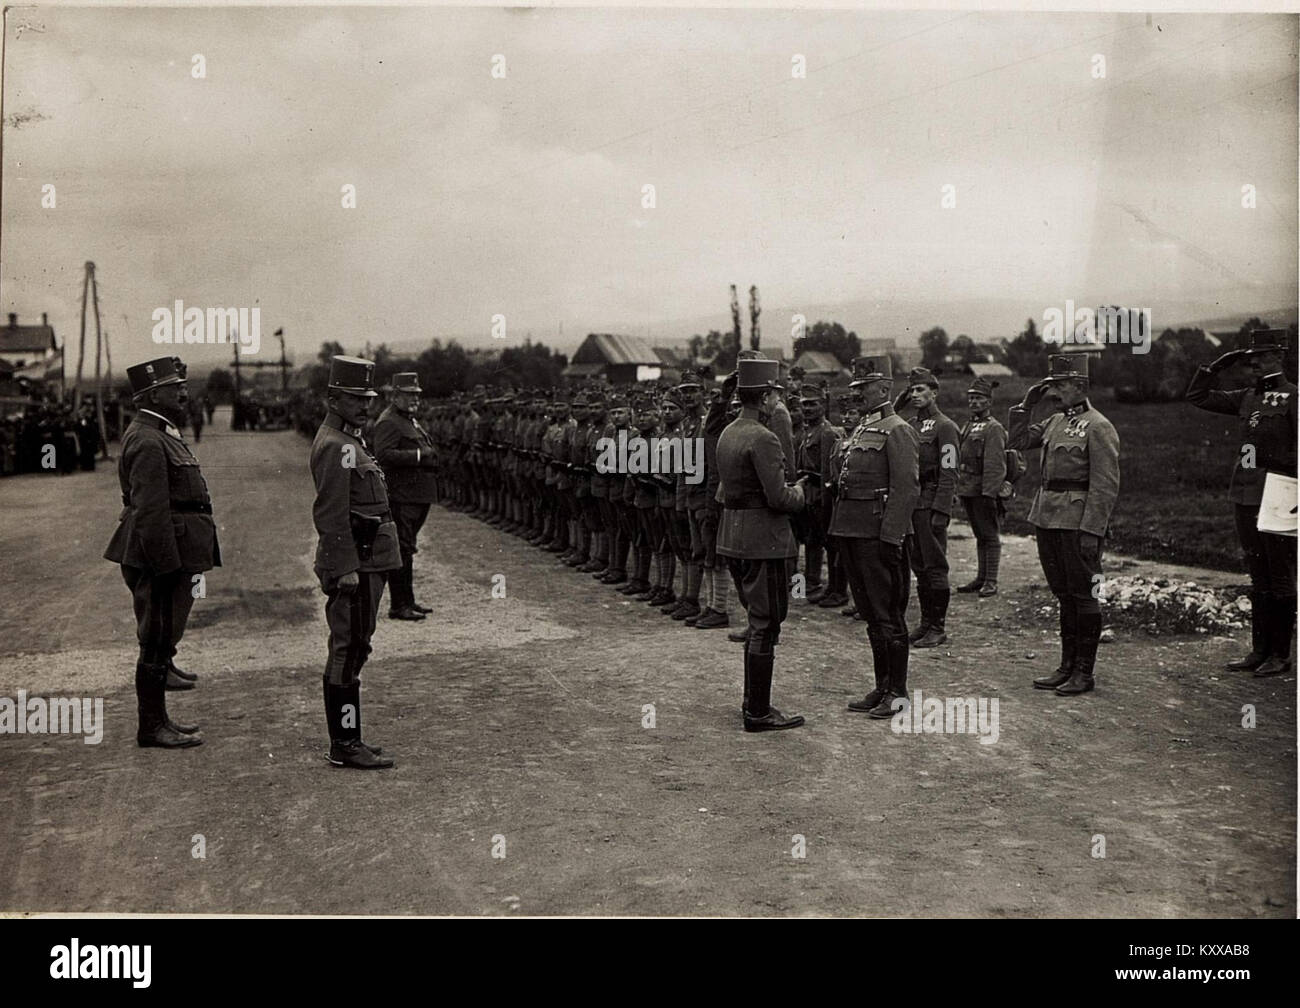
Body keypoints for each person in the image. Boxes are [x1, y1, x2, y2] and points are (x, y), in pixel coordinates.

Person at [103, 355, 218, 749]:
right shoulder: (149, 439)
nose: (184, 390)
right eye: (175, 386)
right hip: (161, 556)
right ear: (152, 394)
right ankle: (151, 727)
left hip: (172, 551)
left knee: (161, 636)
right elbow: (151, 512)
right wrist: (166, 566)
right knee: (155, 639)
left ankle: (160, 720)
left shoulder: (159, 432)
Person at [1185, 328, 1296, 676]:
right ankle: (1258, 649)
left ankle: (1280, 653)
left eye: (1261, 359)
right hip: (1247, 492)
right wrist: (1216, 366)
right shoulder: (1247, 398)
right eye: (1250, 361)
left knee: (1279, 577)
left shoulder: (1294, 398)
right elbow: (1198, 397)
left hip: (1281, 492)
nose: (1254, 367)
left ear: (1278, 357)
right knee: (1257, 575)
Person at [1008, 353, 1120, 695]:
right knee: (1063, 595)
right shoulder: (1055, 422)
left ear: (1081, 386)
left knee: (1085, 595)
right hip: (1047, 516)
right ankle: (1066, 666)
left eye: (1061, 385)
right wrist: (1026, 405)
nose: (1055, 391)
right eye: (1053, 385)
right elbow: (1016, 442)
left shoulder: (1098, 426)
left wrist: (1092, 530)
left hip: (1077, 521)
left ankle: (1084, 672)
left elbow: (1105, 484)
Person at [311, 356, 402, 769]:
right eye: (355, 399)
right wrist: (344, 566)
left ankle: (350, 738)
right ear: (334, 399)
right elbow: (331, 514)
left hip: (369, 559)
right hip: (357, 564)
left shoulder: (350, 441)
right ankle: (345, 744)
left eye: (368, 399)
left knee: (357, 646)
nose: (365, 406)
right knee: (348, 649)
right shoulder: (336, 446)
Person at [715, 357, 807, 731]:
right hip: (764, 543)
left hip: (733, 539)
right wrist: (803, 492)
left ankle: (751, 701)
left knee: (756, 622)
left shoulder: (728, 432)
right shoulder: (764, 437)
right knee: (766, 624)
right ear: (766, 396)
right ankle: (758, 711)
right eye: (775, 394)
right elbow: (779, 499)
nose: (776, 401)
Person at [832, 357, 920, 718]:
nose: (858, 394)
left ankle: (897, 693)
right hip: (852, 529)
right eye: (856, 388)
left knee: (888, 614)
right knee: (870, 613)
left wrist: (891, 537)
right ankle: (882, 685)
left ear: (884, 388)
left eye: (863, 388)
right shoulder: (862, 429)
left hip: (878, 534)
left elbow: (906, 489)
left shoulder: (897, 429)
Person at [899, 367, 960, 647]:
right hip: (913, 502)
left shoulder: (945, 426)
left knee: (935, 566)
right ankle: (925, 622)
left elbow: (949, 470)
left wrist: (942, 509)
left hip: (931, 500)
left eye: (921, 389)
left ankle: (938, 626)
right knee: (919, 566)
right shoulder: (910, 424)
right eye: (911, 390)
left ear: (934, 393)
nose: (915, 394)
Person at [373, 372, 437, 622]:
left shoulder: (407, 419)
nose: (415, 399)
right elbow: (384, 455)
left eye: (416, 395)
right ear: (395, 396)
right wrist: (419, 456)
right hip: (403, 496)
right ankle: (399, 605)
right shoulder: (389, 421)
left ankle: (408, 601)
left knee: (407, 548)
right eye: (409, 395)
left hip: (416, 494)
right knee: (401, 548)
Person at [956, 375, 1007, 597]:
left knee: (990, 534)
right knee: (980, 534)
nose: (974, 402)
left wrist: (990, 493)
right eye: (971, 398)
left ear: (989, 402)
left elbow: (995, 464)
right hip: (968, 487)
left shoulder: (993, 428)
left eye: (979, 398)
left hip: (983, 489)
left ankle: (991, 580)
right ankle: (981, 577)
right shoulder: (968, 425)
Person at [76, 402, 99, 472]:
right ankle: (86, 466)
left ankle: (89, 466)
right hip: (85, 437)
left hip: (90, 436)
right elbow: (83, 427)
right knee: (86, 452)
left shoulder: (91, 416)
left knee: (89, 452)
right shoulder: (83, 418)